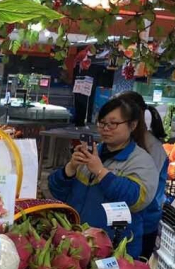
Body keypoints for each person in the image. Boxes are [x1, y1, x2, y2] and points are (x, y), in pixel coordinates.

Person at [48, 96, 159, 258]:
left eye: (113, 123)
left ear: (132, 125)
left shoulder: (142, 161)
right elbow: (57, 192)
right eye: (102, 122)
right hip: (77, 245)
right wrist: (70, 168)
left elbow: (136, 200)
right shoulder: (91, 153)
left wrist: (101, 172)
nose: (106, 128)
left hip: (114, 251)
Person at [118, 91, 168, 259]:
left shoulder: (152, 149)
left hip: (143, 225)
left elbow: (143, 193)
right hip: (120, 223)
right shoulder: (122, 144)